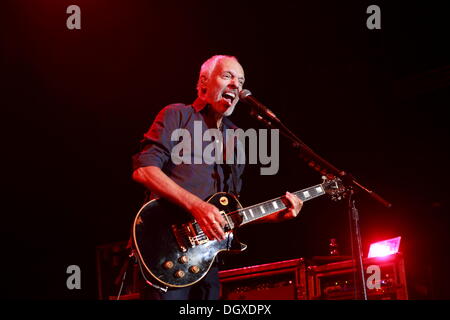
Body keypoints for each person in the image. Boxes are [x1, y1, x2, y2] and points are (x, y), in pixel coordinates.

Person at [131, 55, 303, 300]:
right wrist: (197, 206)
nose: (236, 85)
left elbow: (227, 214)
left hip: (207, 260)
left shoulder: (235, 138)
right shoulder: (177, 115)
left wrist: (271, 216)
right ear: (203, 83)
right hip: (165, 251)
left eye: (241, 81)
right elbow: (144, 170)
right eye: (227, 76)